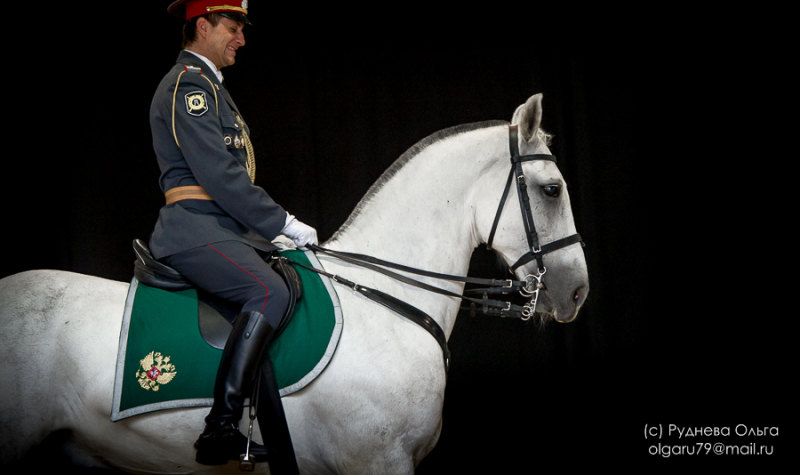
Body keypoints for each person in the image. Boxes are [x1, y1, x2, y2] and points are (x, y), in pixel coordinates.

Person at [148, 0, 317, 465]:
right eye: (232, 28)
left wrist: (267, 233)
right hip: (194, 229)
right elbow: (221, 176)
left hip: (223, 227)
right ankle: (220, 428)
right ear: (202, 26)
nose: (241, 39)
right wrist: (281, 222)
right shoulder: (189, 86)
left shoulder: (212, 88)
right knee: (269, 292)